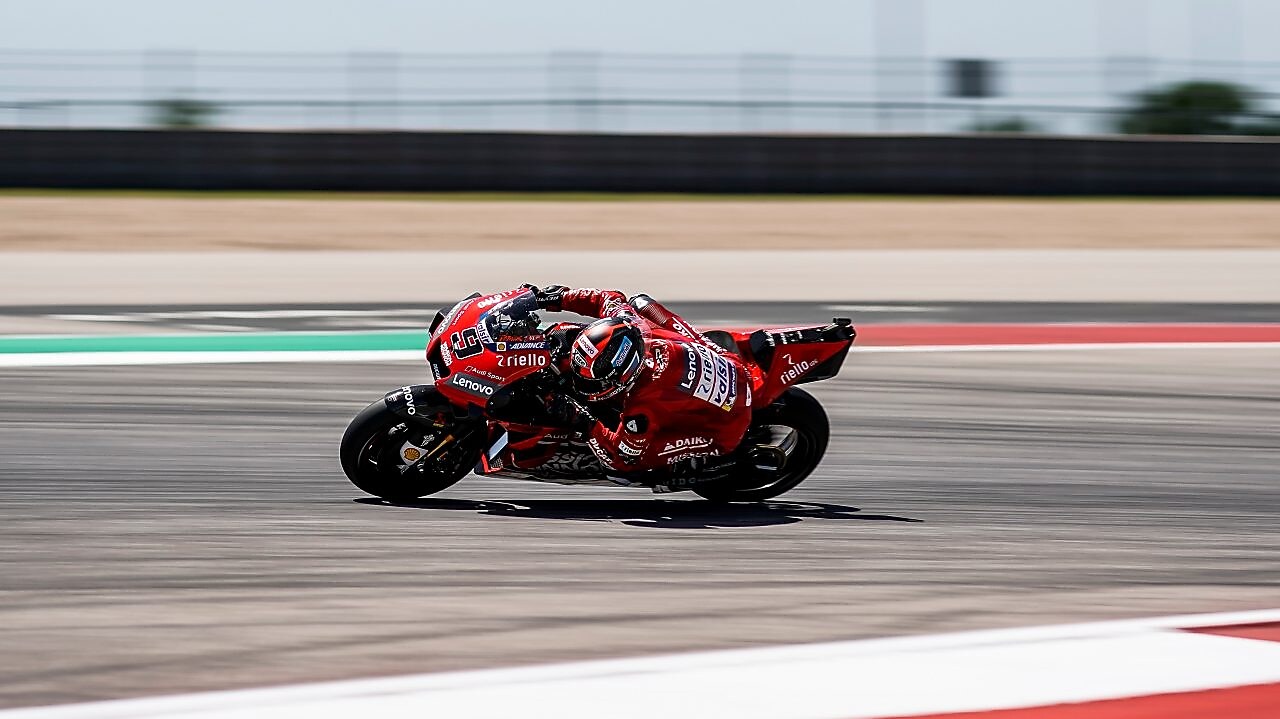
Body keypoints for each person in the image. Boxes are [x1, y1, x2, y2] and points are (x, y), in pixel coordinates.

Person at [528, 285, 753, 481]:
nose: (581, 384)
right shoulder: (629, 322)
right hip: (726, 362)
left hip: (726, 423)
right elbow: (607, 298)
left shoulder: (643, 404)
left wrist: (583, 421)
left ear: (626, 377)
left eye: (591, 383)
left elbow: (622, 456)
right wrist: (557, 297)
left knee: (624, 470)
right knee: (640, 303)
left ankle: (687, 466)